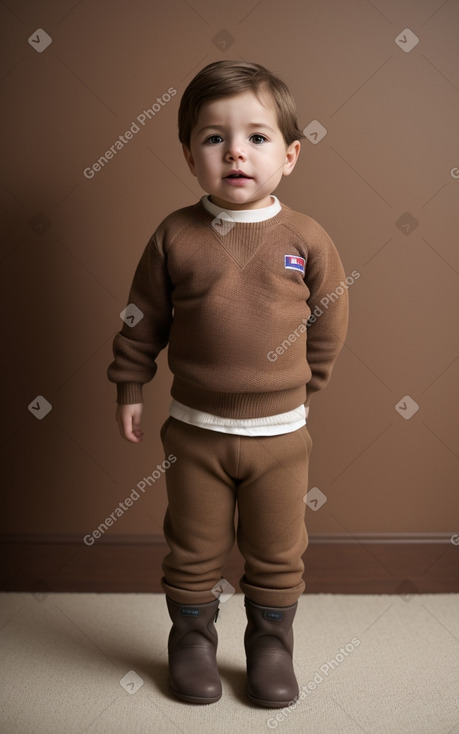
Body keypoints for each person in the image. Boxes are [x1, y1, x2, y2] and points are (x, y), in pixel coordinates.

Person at [107, 60, 349, 708]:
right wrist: (130, 384)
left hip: (279, 438)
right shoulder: (174, 236)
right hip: (195, 433)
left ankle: (270, 645)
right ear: (190, 156)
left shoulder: (306, 237)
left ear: (290, 155)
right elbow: (142, 318)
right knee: (193, 547)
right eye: (214, 138)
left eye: (256, 137)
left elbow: (329, 318)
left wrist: (304, 386)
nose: (235, 151)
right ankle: (190, 641)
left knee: (276, 550)